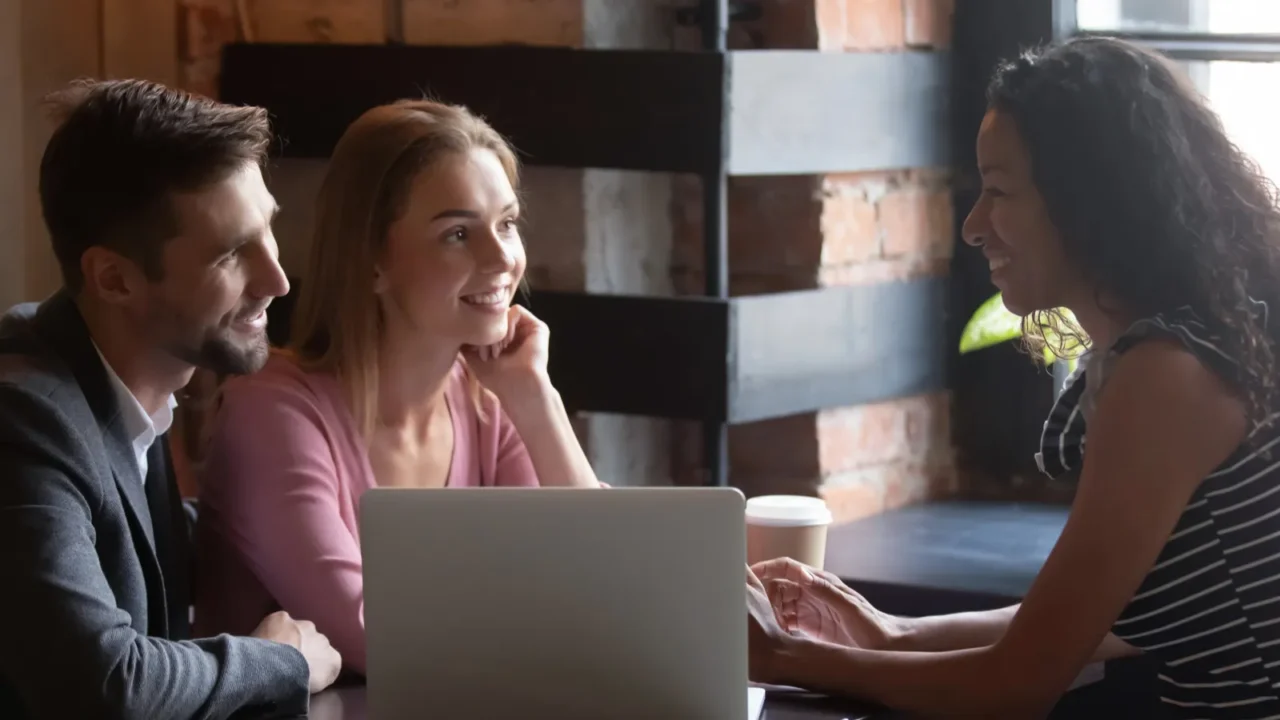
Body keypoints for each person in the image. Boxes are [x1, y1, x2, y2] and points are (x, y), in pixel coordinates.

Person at [748, 36, 1280, 718]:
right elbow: (1096, 626)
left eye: (997, 192)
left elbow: (1017, 685)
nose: (973, 227)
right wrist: (889, 632)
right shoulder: (1185, 350)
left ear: (1089, 202)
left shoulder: (1169, 377)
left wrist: (780, 656)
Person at [193, 99, 604, 676]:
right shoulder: (270, 412)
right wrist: (545, 615)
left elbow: (604, 583)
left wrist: (538, 399)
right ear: (372, 261)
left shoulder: (492, 402)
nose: (502, 259)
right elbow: (369, 634)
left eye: (507, 223)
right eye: (458, 233)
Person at [0, 79, 342, 719]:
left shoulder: (129, 386)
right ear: (114, 279)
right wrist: (281, 659)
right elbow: (106, 684)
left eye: (268, 232)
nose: (277, 279)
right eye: (231, 254)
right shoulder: (23, 418)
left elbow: (146, 549)